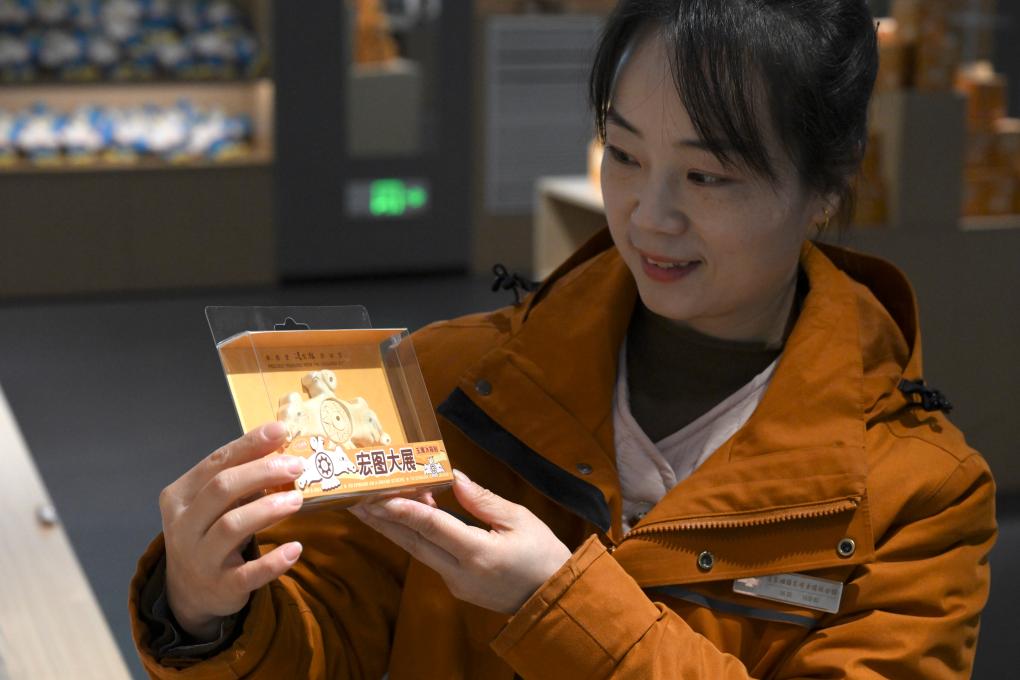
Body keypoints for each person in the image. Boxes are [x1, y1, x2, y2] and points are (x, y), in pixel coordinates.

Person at [130, 1, 997, 677]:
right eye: (624, 154)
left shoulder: (920, 496)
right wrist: (209, 610)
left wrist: (557, 605)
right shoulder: (449, 379)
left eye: (707, 175)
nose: (650, 216)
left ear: (827, 187)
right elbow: (326, 635)